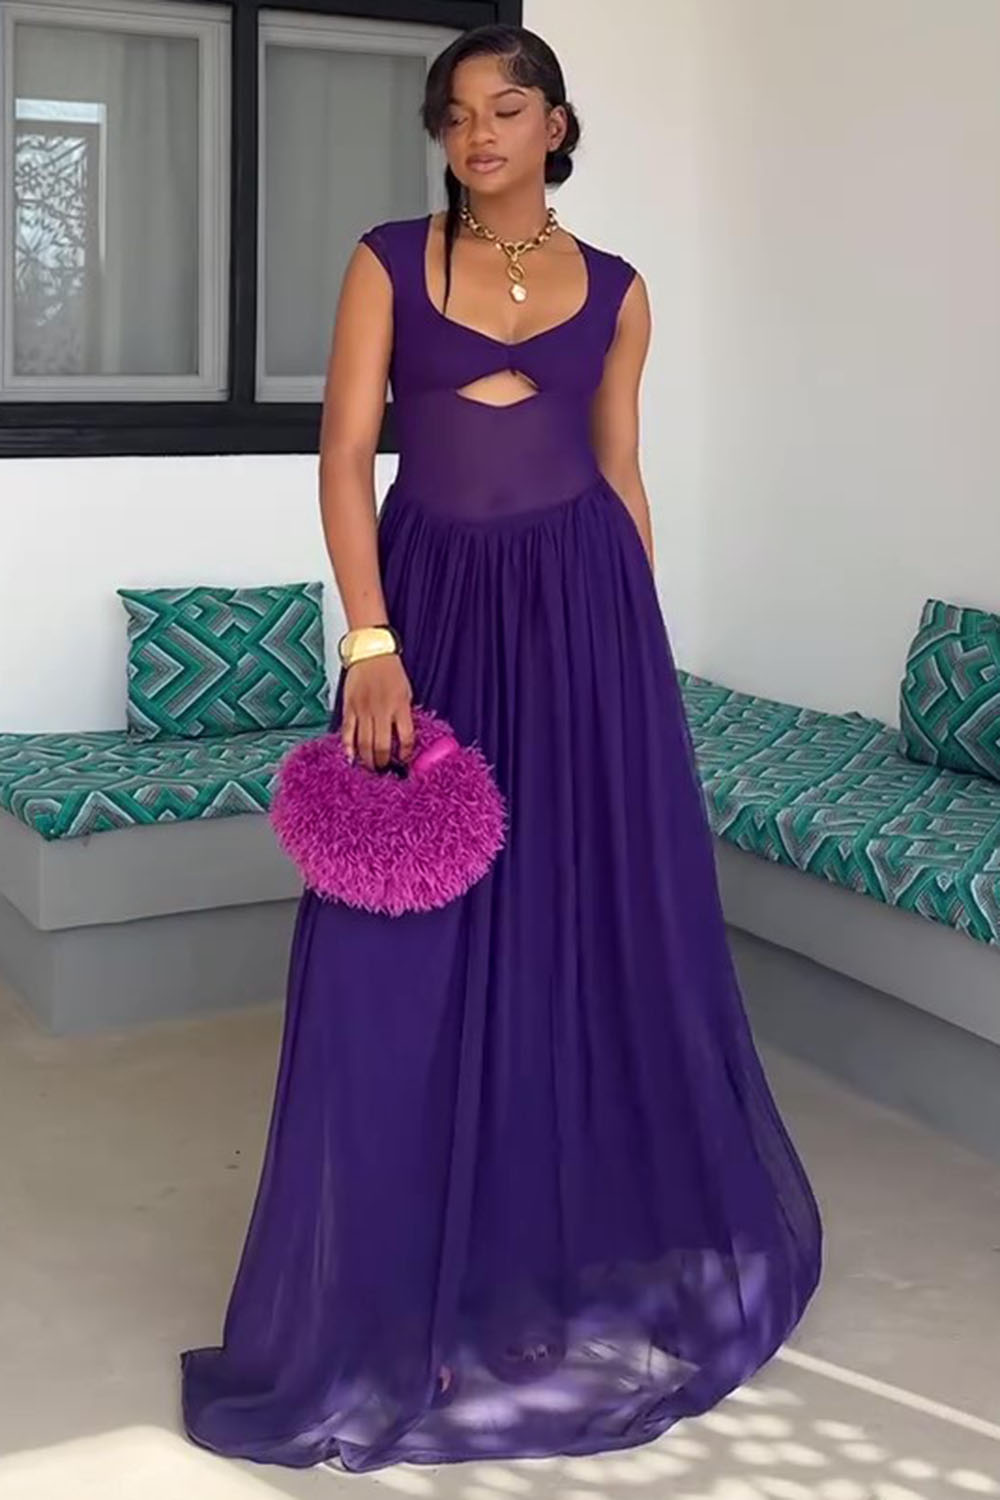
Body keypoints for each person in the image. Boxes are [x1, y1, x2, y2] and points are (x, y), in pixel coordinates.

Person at [180, 22, 823, 1474]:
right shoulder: (388, 262)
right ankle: (392, 1279)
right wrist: (370, 639)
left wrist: (641, 666)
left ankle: (544, 1256)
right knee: (399, 942)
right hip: (436, 617)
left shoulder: (623, 291)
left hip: (587, 628)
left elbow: (620, 470)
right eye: (458, 112)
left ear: (555, 125)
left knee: (576, 933)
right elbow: (345, 456)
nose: (479, 133)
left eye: (507, 107)